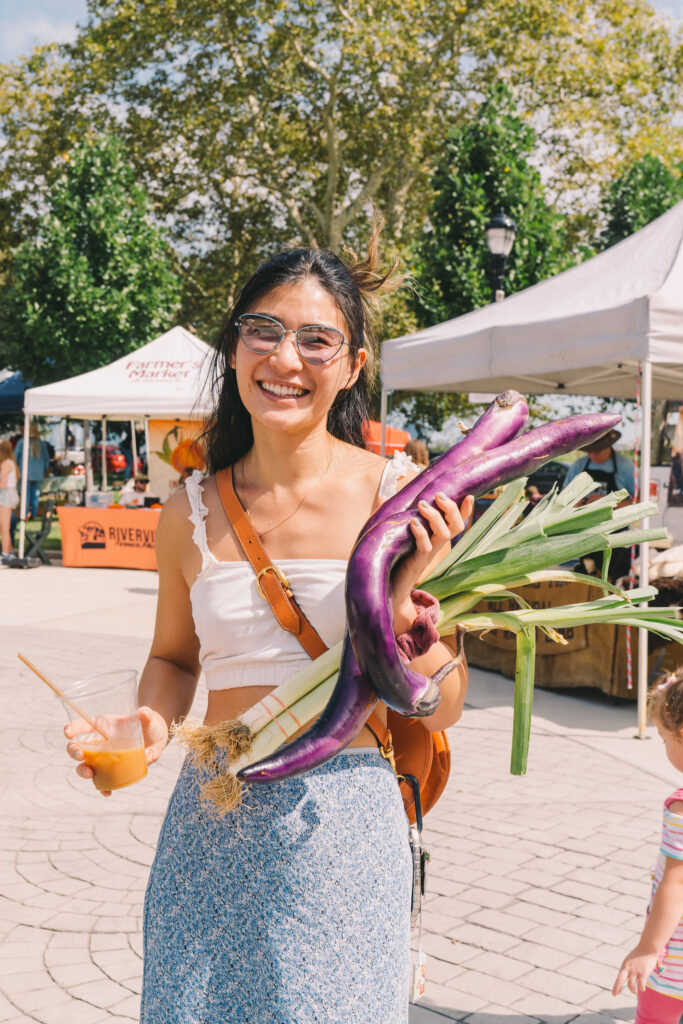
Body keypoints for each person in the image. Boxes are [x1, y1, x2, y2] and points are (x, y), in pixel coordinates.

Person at [65, 237, 472, 1023]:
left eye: (316, 340)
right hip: (211, 816)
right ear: (234, 346)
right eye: (264, 330)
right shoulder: (188, 510)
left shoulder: (400, 500)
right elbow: (173, 657)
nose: (286, 357)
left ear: (352, 365)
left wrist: (410, 604)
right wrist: (149, 722)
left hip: (343, 827)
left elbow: (443, 705)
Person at [613, 669, 683, 1022]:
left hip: (676, 960)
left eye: (663, 738)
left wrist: (648, 948)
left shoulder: (682, 806)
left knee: (657, 1016)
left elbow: (678, 882)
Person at [563, 429, 636, 581]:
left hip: (616, 539)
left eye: (595, 451)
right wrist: (578, 504)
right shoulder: (578, 466)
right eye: (589, 451)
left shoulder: (625, 467)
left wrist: (607, 502)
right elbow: (564, 500)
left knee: (613, 577)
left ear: (607, 447)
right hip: (583, 536)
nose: (591, 455)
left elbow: (637, 501)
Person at [14, 423, 51, 519]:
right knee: (35, 495)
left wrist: (16, 468)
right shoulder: (41, 444)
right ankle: (34, 514)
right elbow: (46, 460)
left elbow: (15, 457)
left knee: (25, 495)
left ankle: (24, 514)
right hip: (38, 473)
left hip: (25, 472)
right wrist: (45, 470)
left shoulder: (22, 442)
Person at [0, 439, 19, 558]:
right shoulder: (11, 462)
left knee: (5, 527)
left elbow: (3, 484)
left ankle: (5, 553)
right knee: (3, 526)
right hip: (9, 495)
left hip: (5, 496)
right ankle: (10, 551)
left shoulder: (5, 464)